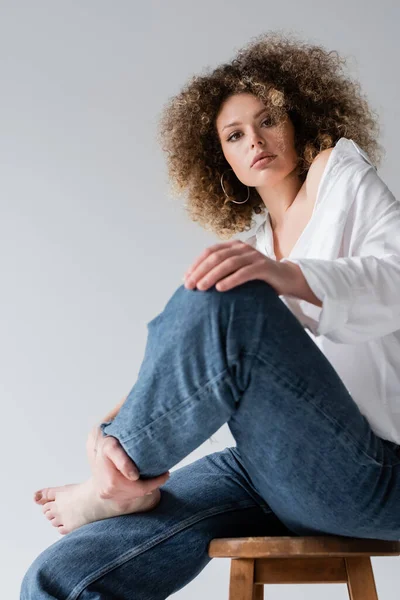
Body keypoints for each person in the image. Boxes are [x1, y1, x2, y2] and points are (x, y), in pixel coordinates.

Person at [21, 31, 400, 599]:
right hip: (275, 469)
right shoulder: (256, 244)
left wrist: (288, 277)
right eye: (235, 134)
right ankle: (119, 465)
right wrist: (117, 418)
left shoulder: (339, 175)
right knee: (61, 573)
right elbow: (204, 363)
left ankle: (115, 478)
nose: (256, 140)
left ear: (297, 119)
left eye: (268, 120)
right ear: (221, 158)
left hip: (374, 476)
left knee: (229, 292)